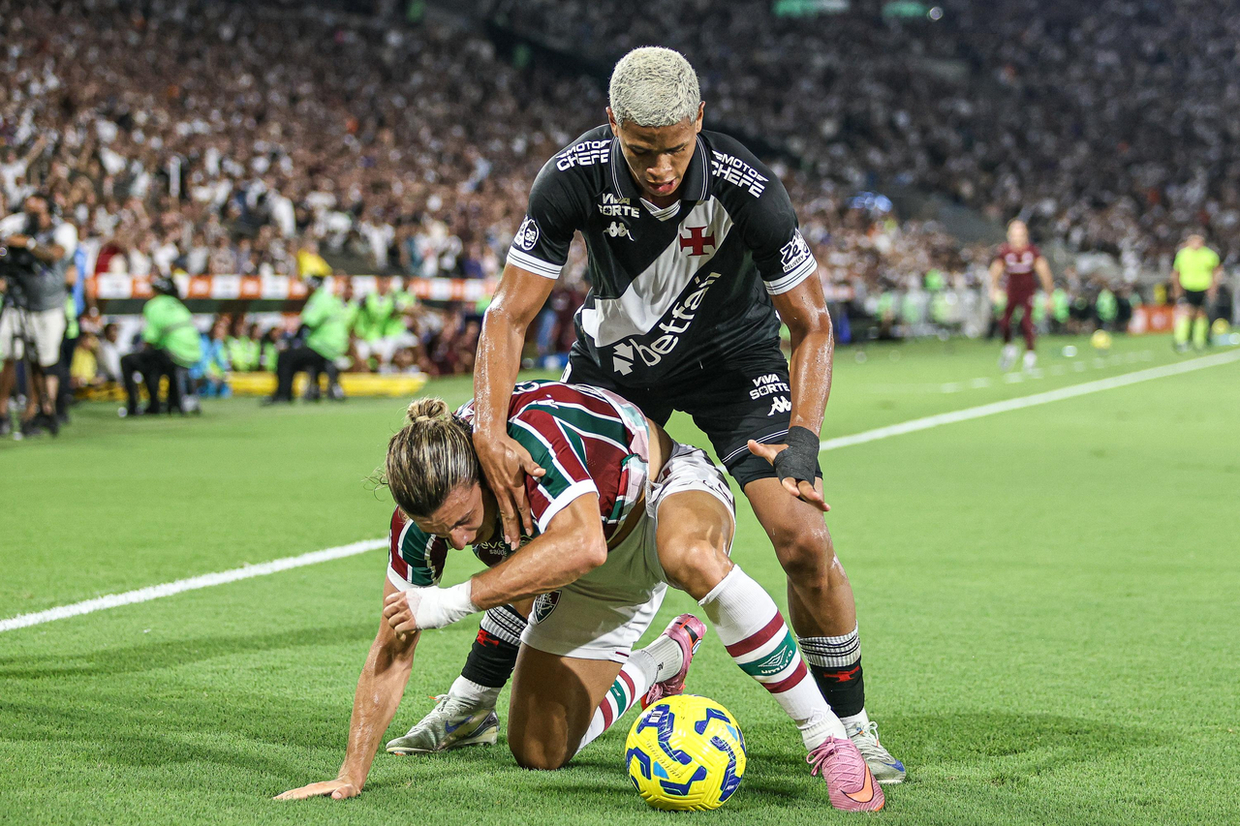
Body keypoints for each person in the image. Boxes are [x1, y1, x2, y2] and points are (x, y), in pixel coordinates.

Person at [410, 46, 904, 784]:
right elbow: (507, 315)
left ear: (699, 119)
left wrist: (803, 437)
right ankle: (472, 701)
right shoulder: (570, 177)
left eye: (675, 148)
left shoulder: (750, 188)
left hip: (736, 364)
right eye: (643, 152)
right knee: (535, 518)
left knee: (803, 538)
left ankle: (852, 728)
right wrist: (487, 426)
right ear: (612, 124)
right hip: (617, 363)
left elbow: (813, 324)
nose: (662, 168)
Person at [275, 381, 883, 811]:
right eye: (440, 531)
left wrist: (450, 601)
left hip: (663, 496)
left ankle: (827, 739)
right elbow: (393, 645)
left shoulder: (530, 437)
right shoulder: (421, 523)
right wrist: (351, 773)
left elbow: (583, 545)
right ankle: (661, 660)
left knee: (689, 556)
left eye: (463, 520)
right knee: (538, 750)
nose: (457, 541)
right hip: (591, 572)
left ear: (482, 469)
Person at [0, 192, 78, 437]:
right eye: (28, 211)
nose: (31, 216)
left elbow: (55, 254)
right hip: (19, 301)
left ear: (50, 212)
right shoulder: (18, 224)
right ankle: (2, 412)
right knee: (9, 355)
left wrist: (28, 244)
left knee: (41, 361)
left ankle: (36, 412)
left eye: (37, 212)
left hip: (49, 306)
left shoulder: (63, 230)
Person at [120, 275, 203, 416]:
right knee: (152, 361)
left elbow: (150, 339)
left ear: (156, 291)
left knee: (129, 361)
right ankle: (162, 404)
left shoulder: (154, 305)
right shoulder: (178, 305)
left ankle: (135, 406)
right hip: (193, 354)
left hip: (174, 353)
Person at [263, 275, 347, 404]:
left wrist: (290, 342)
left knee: (285, 357)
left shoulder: (319, 299)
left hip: (322, 348)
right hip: (335, 347)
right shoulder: (330, 299)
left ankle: (283, 395)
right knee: (293, 355)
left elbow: (307, 323)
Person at [990, 219, 1054, 371]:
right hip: (1011, 291)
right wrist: (994, 289)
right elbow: (995, 271)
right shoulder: (1005, 252)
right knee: (1005, 321)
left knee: (1027, 323)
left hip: (1027, 292)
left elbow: (1044, 272)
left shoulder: (1031, 252)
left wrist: (1049, 295)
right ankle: (1009, 347)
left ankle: (1030, 355)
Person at [1171, 234, 1221, 352]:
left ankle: (1199, 341)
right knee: (1186, 313)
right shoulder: (1183, 255)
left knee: (1201, 314)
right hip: (1187, 288)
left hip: (1203, 288)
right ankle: (1181, 340)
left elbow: (1216, 270)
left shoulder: (1209, 254)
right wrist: (1177, 290)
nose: (1196, 244)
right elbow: (1176, 273)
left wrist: (1213, 288)